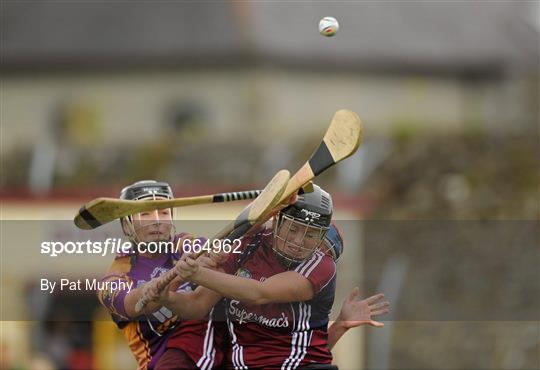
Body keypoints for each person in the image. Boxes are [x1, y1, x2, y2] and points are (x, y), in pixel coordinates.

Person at [149, 184, 390, 369]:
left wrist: (198, 273)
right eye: (293, 229)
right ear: (277, 221)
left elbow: (258, 294)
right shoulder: (247, 247)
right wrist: (165, 297)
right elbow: (196, 305)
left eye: (310, 236)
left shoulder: (320, 265)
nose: (298, 242)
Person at [97, 180, 227, 370]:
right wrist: (181, 275)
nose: (157, 220)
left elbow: (207, 253)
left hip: (215, 354)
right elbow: (135, 304)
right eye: (146, 213)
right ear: (127, 224)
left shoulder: (183, 243)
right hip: (165, 363)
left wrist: (218, 254)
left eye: (164, 212)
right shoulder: (114, 278)